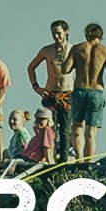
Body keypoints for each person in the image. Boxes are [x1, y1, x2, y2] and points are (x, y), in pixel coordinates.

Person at [62, 22, 106, 162]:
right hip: (96, 91)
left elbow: (65, 69)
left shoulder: (77, 48)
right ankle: (89, 161)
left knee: (77, 127)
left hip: (79, 91)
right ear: (101, 35)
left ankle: (79, 160)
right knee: (91, 132)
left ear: (87, 34)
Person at [26, 20, 75, 163]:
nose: (56, 36)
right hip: (50, 93)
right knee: (48, 128)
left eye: (59, 33)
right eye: (53, 33)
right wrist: (36, 87)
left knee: (66, 130)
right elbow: (31, 67)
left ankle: (64, 160)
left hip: (67, 94)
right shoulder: (47, 50)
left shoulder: (74, 50)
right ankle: (50, 158)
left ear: (65, 32)